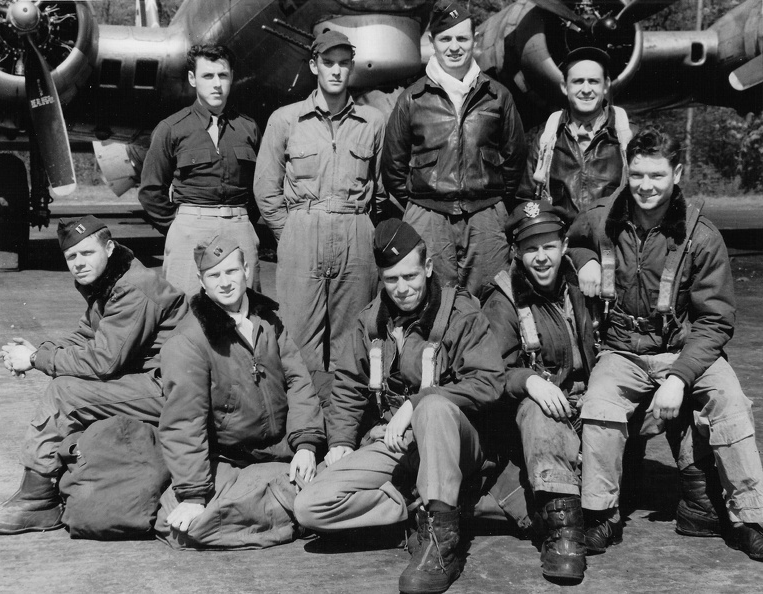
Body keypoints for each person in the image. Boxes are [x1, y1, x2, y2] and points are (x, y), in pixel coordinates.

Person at [567, 127, 763, 560]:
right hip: (621, 350)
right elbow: (567, 239)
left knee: (731, 402)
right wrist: (582, 260)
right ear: (626, 174)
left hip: (684, 346)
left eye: (657, 175)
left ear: (677, 172)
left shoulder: (702, 235)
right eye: (636, 175)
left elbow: (716, 320)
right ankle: (600, 515)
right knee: (600, 405)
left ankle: (750, 519)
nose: (645, 186)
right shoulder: (603, 217)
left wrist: (678, 376)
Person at [294, 219, 505, 594]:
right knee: (310, 506)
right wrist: (341, 439)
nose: (402, 289)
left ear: (427, 268)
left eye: (410, 276)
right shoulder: (370, 322)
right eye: (391, 280)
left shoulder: (461, 316)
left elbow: (489, 383)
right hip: (398, 447)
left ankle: (442, 542)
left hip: (456, 444)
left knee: (434, 409)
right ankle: (412, 513)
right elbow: (349, 385)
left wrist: (417, 402)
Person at [0, 215, 186, 534]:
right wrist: (38, 350)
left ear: (109, 248)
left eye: (87, 253)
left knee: (65, 394)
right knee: (65, 383)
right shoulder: (111, 277)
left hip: (176, 387)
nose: (79, 263)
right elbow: (88, 335)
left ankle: (38, 502)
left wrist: (34, 358)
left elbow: (104, 360)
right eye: (72, 256)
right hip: (155, 379)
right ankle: (40, 490)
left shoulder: (135, 286)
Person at [155, 234, 325, 549]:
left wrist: (306, 445)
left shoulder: (268, 318)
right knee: (177, 524)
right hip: (230, 456)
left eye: (231, 271)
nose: (225, 282)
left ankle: (296, 500)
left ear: (246, 270)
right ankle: (303, 509)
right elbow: (184, 422)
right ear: (200, 281)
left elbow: (298, 381)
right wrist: (193, 495)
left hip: (282, 446)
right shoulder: (188, 342)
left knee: (201, 525)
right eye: (214, 275)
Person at [254, 31, 386, 401]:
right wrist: (292, 231)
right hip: (302, 229)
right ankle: (305, 428)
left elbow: (382, 189)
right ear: (314, 66)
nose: (336, 70)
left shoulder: (373, 122)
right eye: (328, 62)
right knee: (298, 335)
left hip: (355, 229)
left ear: (352, 68)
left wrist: (360, 227)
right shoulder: (285, 120)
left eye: (344, 63)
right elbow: (266, 188)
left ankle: (347, 427)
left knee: (353, 334)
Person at [382, 0, 526, 298]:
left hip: (485, 215)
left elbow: (514, 159)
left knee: (494, 298)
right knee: (430, 299)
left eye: (462, 38)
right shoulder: (412, 98)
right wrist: (422, 202)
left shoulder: (498, 96)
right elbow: (393, 167)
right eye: (445, 38)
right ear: (432, 41)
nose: (454, 46)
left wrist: (492, 200)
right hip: (429, 214)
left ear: (474, 40)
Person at [481, 201, 593, 582]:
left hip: (593, 399)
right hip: (543, 413)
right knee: (536, 410)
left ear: (564, 245)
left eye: (549, 246)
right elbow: (490, 373)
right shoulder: (503, 300)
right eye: (531, 248)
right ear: (516, 252)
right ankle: (564, 533)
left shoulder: (585, 280)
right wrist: (528, 380)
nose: (541, 258)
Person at [139, 43, 261, 296]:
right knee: (185, 309)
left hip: (239, 226)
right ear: (193, 79)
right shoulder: (171, 128)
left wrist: (243, 221)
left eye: (223, 75)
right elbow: (151, 190)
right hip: (189, 230)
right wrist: (179, 225)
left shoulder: (248, 128)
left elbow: (259, 186)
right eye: (208, 75)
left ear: (232, 78)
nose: (216, 84)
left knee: (245, 308)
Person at [517, 47, 630, 213]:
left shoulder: (628, 136)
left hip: (612, 237)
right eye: (578, 81)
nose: (586, 90)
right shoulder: (547, 139)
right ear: (564, 86)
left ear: (606, 85)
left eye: (593, 81)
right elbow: (525, 199)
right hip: (560, 237)